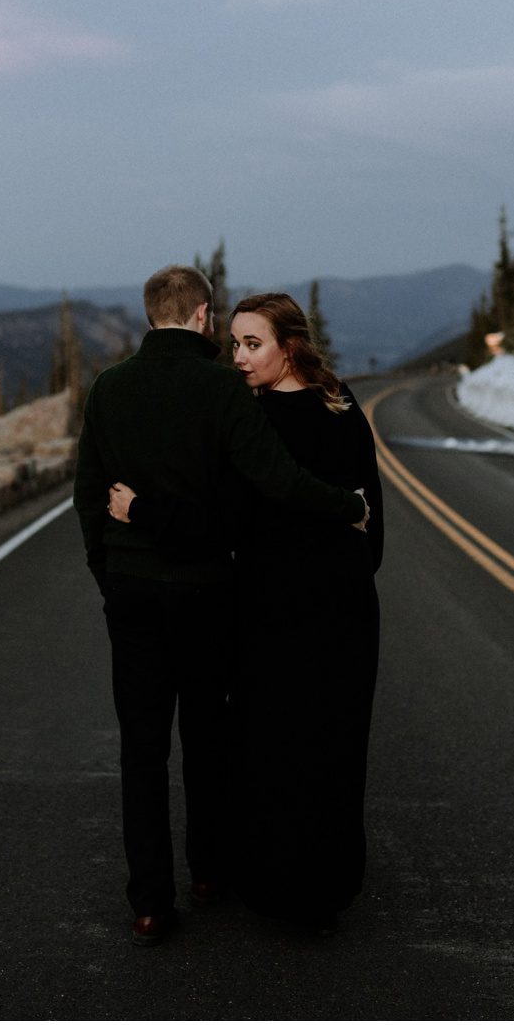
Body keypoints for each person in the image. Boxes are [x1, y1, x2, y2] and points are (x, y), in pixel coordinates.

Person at [73, 265, 369, 947]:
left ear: (150, 315)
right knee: (207, 737)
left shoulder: (110, 388)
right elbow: (275, 478)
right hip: (206, 591)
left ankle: (149, 900)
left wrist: (109, 571)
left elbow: (90, 495)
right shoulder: (222, 389)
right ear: (204, 315)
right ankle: (208, 871)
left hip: (132, 589)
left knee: (141, 750)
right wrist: (346, 504)